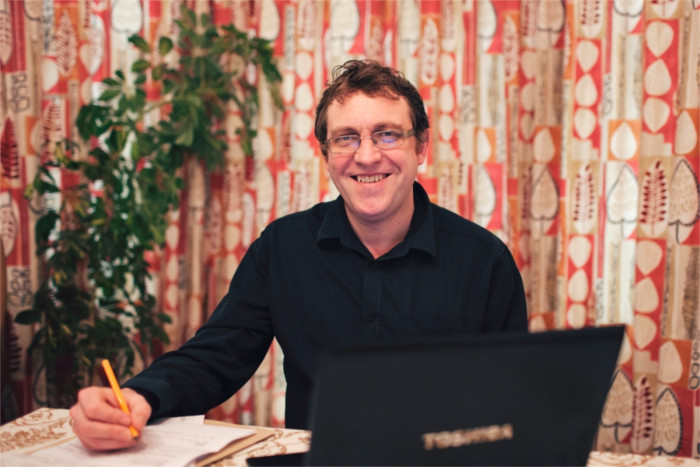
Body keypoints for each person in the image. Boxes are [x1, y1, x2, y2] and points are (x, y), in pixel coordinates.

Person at [69, 59, 528, 451]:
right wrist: (141, 397)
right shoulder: (282, 247)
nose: (366, 156)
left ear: (420, 145)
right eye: (346, 138)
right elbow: (216, 356)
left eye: (387, 134)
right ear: (326, 153)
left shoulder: (484, 261)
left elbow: (512, 401)